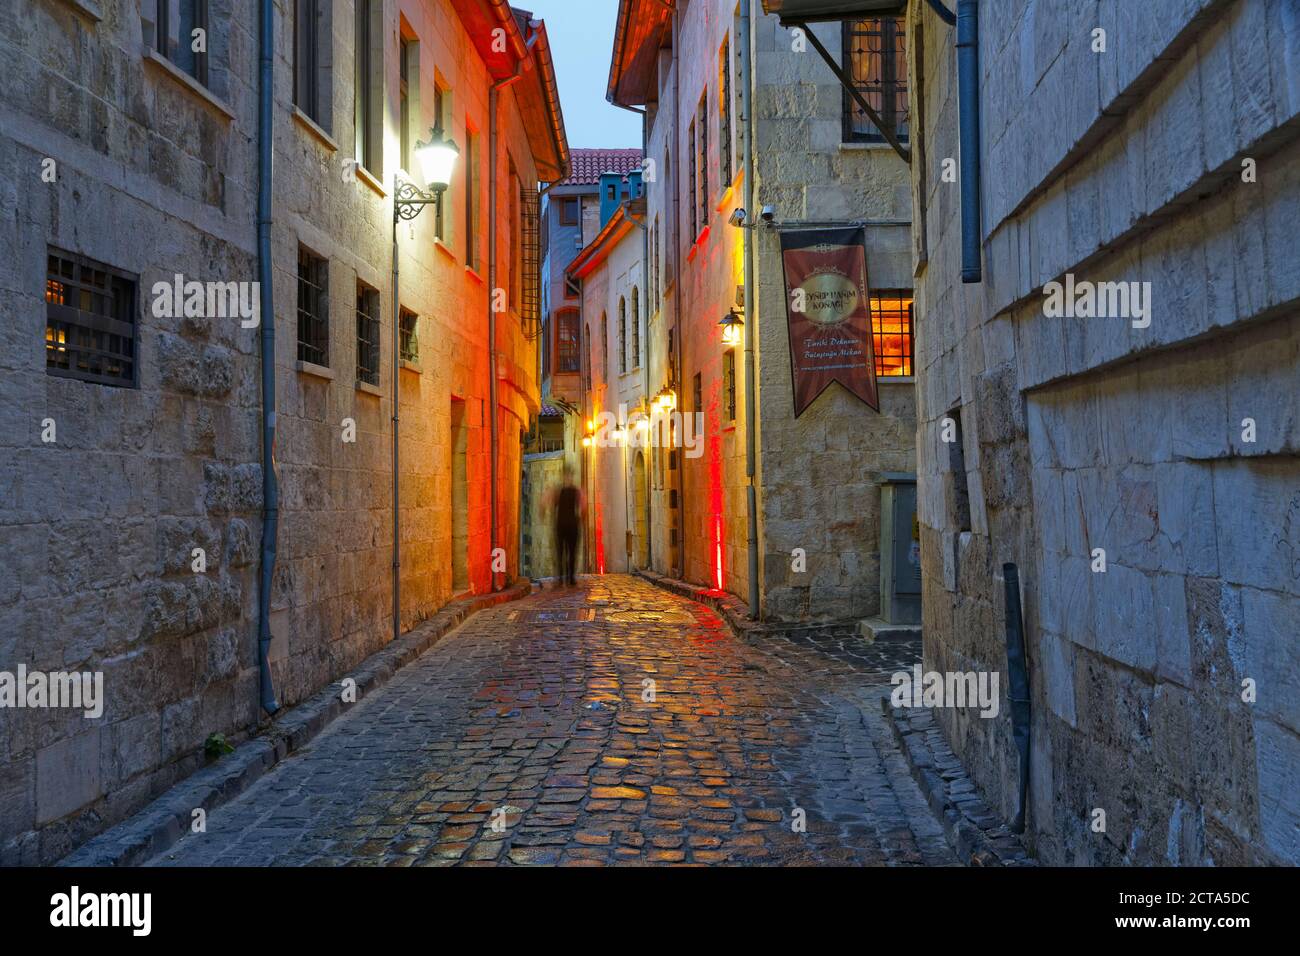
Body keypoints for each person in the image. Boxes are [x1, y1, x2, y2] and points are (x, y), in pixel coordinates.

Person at [550, 466, 583, 586]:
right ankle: (566, 577)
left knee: (568, 552)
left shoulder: (562, 491)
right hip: (567, 524)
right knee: (564, 552)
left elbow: (582, 506)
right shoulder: (564, 491)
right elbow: (582, 507)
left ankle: (568, 577)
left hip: (567, 524)